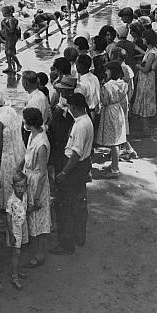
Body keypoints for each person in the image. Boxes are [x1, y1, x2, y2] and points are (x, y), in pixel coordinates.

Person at [51, 93, 93, 254]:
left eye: (69, 107)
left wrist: (63, 173)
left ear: (74, 108)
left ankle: (66, 243)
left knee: (65, 206)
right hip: (81, 166)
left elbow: (75, 153)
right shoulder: (85, 120)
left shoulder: (81, 126)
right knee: (79, 202)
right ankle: (78, 235)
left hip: (73, 167)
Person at [20, 107, 51, 268]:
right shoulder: (34, 135)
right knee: (32, 219)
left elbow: (43, 172)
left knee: (40, 219)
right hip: (30, 181)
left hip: (37, 185)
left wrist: (37, 196)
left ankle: (40, 254)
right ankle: (35, 249)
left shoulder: (42, 144)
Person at [0, 91, 26, 210]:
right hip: (18, 148)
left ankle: (8, 206)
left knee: (6, 180)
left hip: (7, 154)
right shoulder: (11, 111)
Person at [96, 62, 128, 179]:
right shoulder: (124, 84)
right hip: (118, 109)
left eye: (107, 70)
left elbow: (104, 101)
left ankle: (115, 169)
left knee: (113, 142)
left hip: (109, 111)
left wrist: (100, 91)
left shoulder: (108, 85)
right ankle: (114, 164)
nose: (106, 72)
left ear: (112, 71)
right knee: (117, 139)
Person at [132, 29, 157, 136]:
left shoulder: (152, 52)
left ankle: (146, 129)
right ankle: (145, 127)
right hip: (145, 78)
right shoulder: (150, 50)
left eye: (143, 38)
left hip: (147, 79)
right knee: (144, 100)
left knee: (144, 101)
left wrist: (138, 66)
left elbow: (146, 69)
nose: (142, 39)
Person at [6, 171, 28, 289]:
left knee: (21, 250)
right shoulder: (11, 201)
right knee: (16, 253)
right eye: (18, 186)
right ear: (13, 186)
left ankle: (18, 270)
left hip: (23, 226)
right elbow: (8, 219)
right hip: (15, 230)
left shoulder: (24, 196)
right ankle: (14, 277)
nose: (20, 189)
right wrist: (11, 234)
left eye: (22, 186)